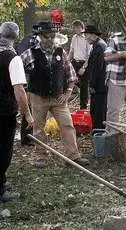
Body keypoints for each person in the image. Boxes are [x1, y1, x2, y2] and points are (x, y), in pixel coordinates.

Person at [20, 21, 89, 168]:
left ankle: (73, 156)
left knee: (67, 125)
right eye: (47, 37)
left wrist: (68, 92)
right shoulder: (29, 54)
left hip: (58, 98)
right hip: (38, 97)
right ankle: (41, 156)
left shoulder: (61, 52)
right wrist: (25, 93)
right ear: (40, 37)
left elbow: (71, 76)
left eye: (52, 37)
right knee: (38, 128)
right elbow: (19, 77)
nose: (50, 40)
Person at [0, 22, 34, 201]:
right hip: (4, 111)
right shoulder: (12, 58)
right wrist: (27, 113)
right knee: (3, 151)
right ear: (16, 36)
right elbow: (19, 90)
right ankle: (1, 192)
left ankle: (2, 181)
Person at [83, 25, 107, 129]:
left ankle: (99, 130)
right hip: (99, 84)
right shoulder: (97, 45)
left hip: (100, 85)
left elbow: (98, 68)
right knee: (95, 109)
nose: (85, 38)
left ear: (93, 35)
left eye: (86, 35)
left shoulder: (99, 47)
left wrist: (93, 84)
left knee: (98, 110)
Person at [68, 20, 91, 109]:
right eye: (75, 28)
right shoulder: (74, 37)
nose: (76, 29)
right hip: (75, 61)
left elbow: (89, 54)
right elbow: (71, 50)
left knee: (84, 85)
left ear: (82, 27)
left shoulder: (86, 38)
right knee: (70, 79)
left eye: (78, 27)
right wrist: (67, 62)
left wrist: (84, 67)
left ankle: (83, 106)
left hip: (84, 62)